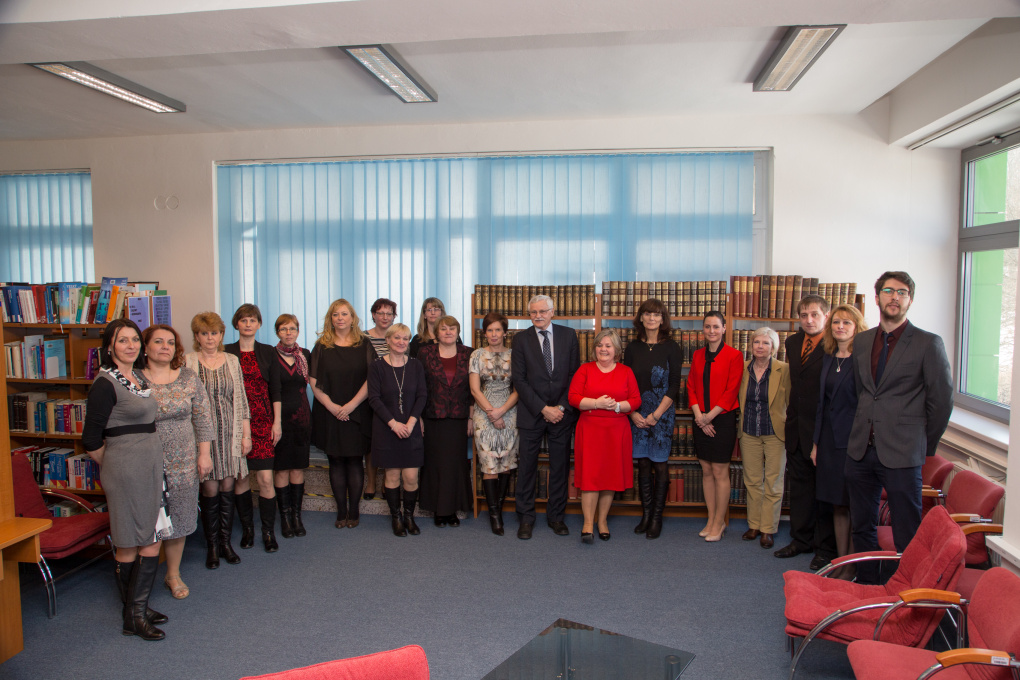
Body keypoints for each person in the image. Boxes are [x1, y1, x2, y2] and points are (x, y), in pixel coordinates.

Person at [846, 271, 953, 584]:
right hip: (860, 450)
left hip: (904, 453)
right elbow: (862, 392)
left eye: (902, 292)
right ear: (877, 297)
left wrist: (921, 444)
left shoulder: (928, 343)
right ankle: (868, 583)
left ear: (910, 300)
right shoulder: (862, 341)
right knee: (861, 525)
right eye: (888, 291)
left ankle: (905, 589)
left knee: (907, 530)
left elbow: (941, 402)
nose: (895, 297)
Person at [82, 318, 170, 641]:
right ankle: (133, 616)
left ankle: (136, 609)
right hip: (126, 471)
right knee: (134, 541)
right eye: (123, 340)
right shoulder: (105, 384)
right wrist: (117, 465)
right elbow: (91, 440)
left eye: (135, 339)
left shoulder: (138, 377)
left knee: (150, 536)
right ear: (109, 346)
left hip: (149, 468)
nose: (131, 345)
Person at [142, 324, 214, 600]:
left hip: (183, 461)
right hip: (146, 461)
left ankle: (172, 574)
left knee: (180, 518)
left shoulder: (187, 377)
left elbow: (203, 418)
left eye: (170, 343)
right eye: (158, 341)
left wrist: (204, 454)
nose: (165, 347)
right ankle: (141, 577)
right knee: (146, 519)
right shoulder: (134, 380)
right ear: (145, 347)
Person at [510, 294, 580, 539]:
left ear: (552, 312)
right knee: (527, 468)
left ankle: (556, 517)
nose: (538, 316)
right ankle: (526, 518)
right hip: (532, 413)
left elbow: (574, 375)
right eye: (533, 312)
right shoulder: (520, 339)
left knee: (559, 467)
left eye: (542, 311)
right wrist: (543, 408)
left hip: (562, 414)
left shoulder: (569, 336)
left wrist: (560, 408)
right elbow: (519, 379)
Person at [186, 312, 251, 569]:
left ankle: (225, 543)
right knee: (209, 488)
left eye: (214, 333)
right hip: (202, 436)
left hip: (230, 434)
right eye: (204, 333)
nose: (210, 338)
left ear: (221, 335)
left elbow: (241, 400)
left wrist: (246, 435)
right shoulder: (188, 362)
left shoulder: (232, 361)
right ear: (197, 336)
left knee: (228, 486)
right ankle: (212, 545)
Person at [774, 295, 834, 570]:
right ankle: (801, 540)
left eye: (814, 315)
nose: (809, 320)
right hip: (796, 427)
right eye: (804, 315)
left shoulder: (835, 343)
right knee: (799, 489)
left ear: (826, 316)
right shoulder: (792, 342)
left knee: (824, 492)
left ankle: (825, 548)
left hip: (823, 431)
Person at [810, 305, 868, 579]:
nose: (840, 327)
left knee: (854, 505)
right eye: (836, 322)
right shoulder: (829, 358)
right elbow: (822, 404)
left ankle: (853, 565)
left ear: (857, 327)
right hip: (829, 442)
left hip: (854, 443)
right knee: (837, 502)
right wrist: (816, 444)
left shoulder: (863, 360)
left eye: (846, 322)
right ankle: (841, 562)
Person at [569, 330, 640, 544]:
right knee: (590, 478)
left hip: (616, 431)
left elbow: (635, 400)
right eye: (600, 345)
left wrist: (617, 406)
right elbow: (573, 397)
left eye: (608, 346)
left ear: (616, 350)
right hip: (590, 430)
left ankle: (602, 521)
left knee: (610, 477)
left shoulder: (626, 372)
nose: (603, 349)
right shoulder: (585, 369)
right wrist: (596, 403)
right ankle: (587, 524)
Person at [310, 299, 376, 529]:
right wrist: (332, 407)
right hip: (329, 412)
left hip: (357, 411)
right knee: (336, 461)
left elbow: (372, 379)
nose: (340, 318)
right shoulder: (322, 346)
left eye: (344, 314)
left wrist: (351, 406)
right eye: (335, 314)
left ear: (352, 318)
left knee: (355, 460)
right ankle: (341, 512)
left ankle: (354, 511)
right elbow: (313, 380)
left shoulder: (364, 344)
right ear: (330, 319)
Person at [623, 298, 683, 540]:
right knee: (643, 465)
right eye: (647, 313)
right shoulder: (632, 348)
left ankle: (657, 517)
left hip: (662, 415)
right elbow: (625, 383)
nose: (651, 318)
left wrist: (656, 415)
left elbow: (674, 385)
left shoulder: (672, 347)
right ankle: (646, 515)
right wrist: (633, 414)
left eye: (656, 314)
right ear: (641, 318)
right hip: (637, 414)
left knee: (659, 464)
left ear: (662, 319)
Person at [225, 303, 282, 552]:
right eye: (243, 320)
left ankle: (268, 532)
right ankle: (248, 529)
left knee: (266, 479)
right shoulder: (226, 352)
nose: (248, 324)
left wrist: (277, 422)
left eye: (252, 320)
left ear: (259, 324)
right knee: (241, 478)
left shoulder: (268, 351)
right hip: (235, 422)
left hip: (263, 421)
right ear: (236, 324)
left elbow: (276, 389)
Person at [687, 310, 743, 542]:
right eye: (708, 327)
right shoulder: (698, 355)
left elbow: (731, 390)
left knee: (720, 471)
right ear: (703, 329)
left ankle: (720, 522)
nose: (712, 331)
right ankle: (710, 519)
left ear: (724, 329)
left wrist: (709, 417)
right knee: (706, 470)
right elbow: (691, 386)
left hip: (722, 419)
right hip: (700, 417)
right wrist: (700, 417)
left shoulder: (734, 355)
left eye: (716, 327)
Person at [367, 323, 427, 537]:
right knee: (392, 475)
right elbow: (374, 398)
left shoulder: (416, 365)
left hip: (411, 428)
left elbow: (422, 396)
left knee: (411, 477)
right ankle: (396, 517)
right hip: (386, 428)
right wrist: (393, 424)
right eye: (397, 338)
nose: (401, 342)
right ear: (388, 340)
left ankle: (409, 516)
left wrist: (411, 423)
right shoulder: (376, 366)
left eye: (405, 338)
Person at [736, 327, 791, 550]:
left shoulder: (784, 369)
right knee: (752, 480)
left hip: (775, 432)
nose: (760, 346)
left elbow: (790, 401)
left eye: (766, 343)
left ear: (774, 348)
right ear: (751, 345)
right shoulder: (742, 368)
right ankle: (754, 525)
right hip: (749, 431)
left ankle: (768, 529)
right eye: (757, 342)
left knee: (773, 482)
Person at [418, 316, 474, 526]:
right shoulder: (425, 353)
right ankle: (438, 510)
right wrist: (419, 417)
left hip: (459, 417)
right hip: (433, 416)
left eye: (452, 328)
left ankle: (451, 509)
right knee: (435, 464)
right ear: (436, 333)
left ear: (458, 332)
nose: (448, 332)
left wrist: (471, 416)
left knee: (455, 464)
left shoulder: (469, 353)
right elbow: (419, 386)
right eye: (443, 329)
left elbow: (473, 389)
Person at [469, 312, 519, 536]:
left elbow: (519, 389)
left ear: (505, 332)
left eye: (498, 329)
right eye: (489, 330)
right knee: (489, 462)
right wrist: (492, 413)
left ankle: (497, 506)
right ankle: (494, 515)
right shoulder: (477, 355)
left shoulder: (515, 355)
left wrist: (502, 412)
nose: (494, 334)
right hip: (484, 413)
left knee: (506, 463)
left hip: (509, 412)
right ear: (485, 333)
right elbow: (474, 389)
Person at [273, 314, 312, 538]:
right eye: (283, 329)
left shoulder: (305, 354)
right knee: (281, 469)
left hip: (302, 419)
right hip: (279, 420)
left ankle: (297, 516)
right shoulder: (271, 355)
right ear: (277, 332)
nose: (288, 333)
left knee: (298, 467)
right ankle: (285, 518)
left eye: (293, 329)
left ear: (298, 331)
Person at [364, 297, 397, 499]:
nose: (385, 317)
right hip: (369, 397)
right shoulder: (362, 338)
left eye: (389, 313)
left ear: (394, 317)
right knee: (371, 443)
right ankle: (370, 482)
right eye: (380, 313)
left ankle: (388, 481)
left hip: (393, 399)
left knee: (390, 442)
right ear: (373, 315)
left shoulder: (399, 337)